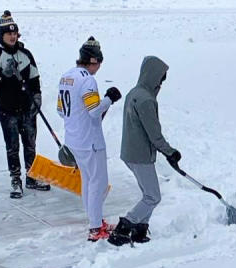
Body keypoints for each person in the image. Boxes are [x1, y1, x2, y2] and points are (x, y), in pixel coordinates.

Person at [107, 55, 181, 247]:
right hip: (140, 155)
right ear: (153, 76)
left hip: (130, 153)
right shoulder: (146, 100)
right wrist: (170, 152)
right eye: (161, 78)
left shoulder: (134, 93)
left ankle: (140, 228)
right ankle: (124, 227)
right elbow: (154, 134)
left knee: (148, 194)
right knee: (153, 196)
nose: (162, 83)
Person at [56, 36, 121, 241]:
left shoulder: (66, 77)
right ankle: (95, 228)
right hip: (90, 141)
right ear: (92, 60)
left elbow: (60, 109)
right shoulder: (87, 80)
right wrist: (110, 99)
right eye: (99, 63)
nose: (99, 67)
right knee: (98, 184)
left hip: (73, 140)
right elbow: (94, 111)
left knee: (87, 181)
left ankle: (95, 220)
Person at [0, 10, 51, 199]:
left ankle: (32, 175)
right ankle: (15, 179)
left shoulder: (25, 54)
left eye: (15, 33)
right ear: (1, 35)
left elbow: (35, 79)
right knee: (12, 146)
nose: (13, 36)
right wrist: (4, 75)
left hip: (27, 109)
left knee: (30, 144)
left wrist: (36, 98)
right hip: (8, 110)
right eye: (9, 33)